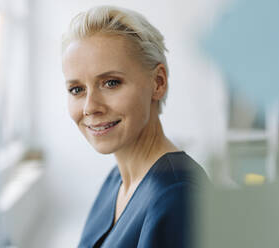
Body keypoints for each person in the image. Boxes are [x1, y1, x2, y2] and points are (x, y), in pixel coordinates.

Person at [61, 5, 210, 248]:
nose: (90, 107)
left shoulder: (178, 195)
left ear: (158, 83)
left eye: (111, 83)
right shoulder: (116, 179)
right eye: (76, 89)